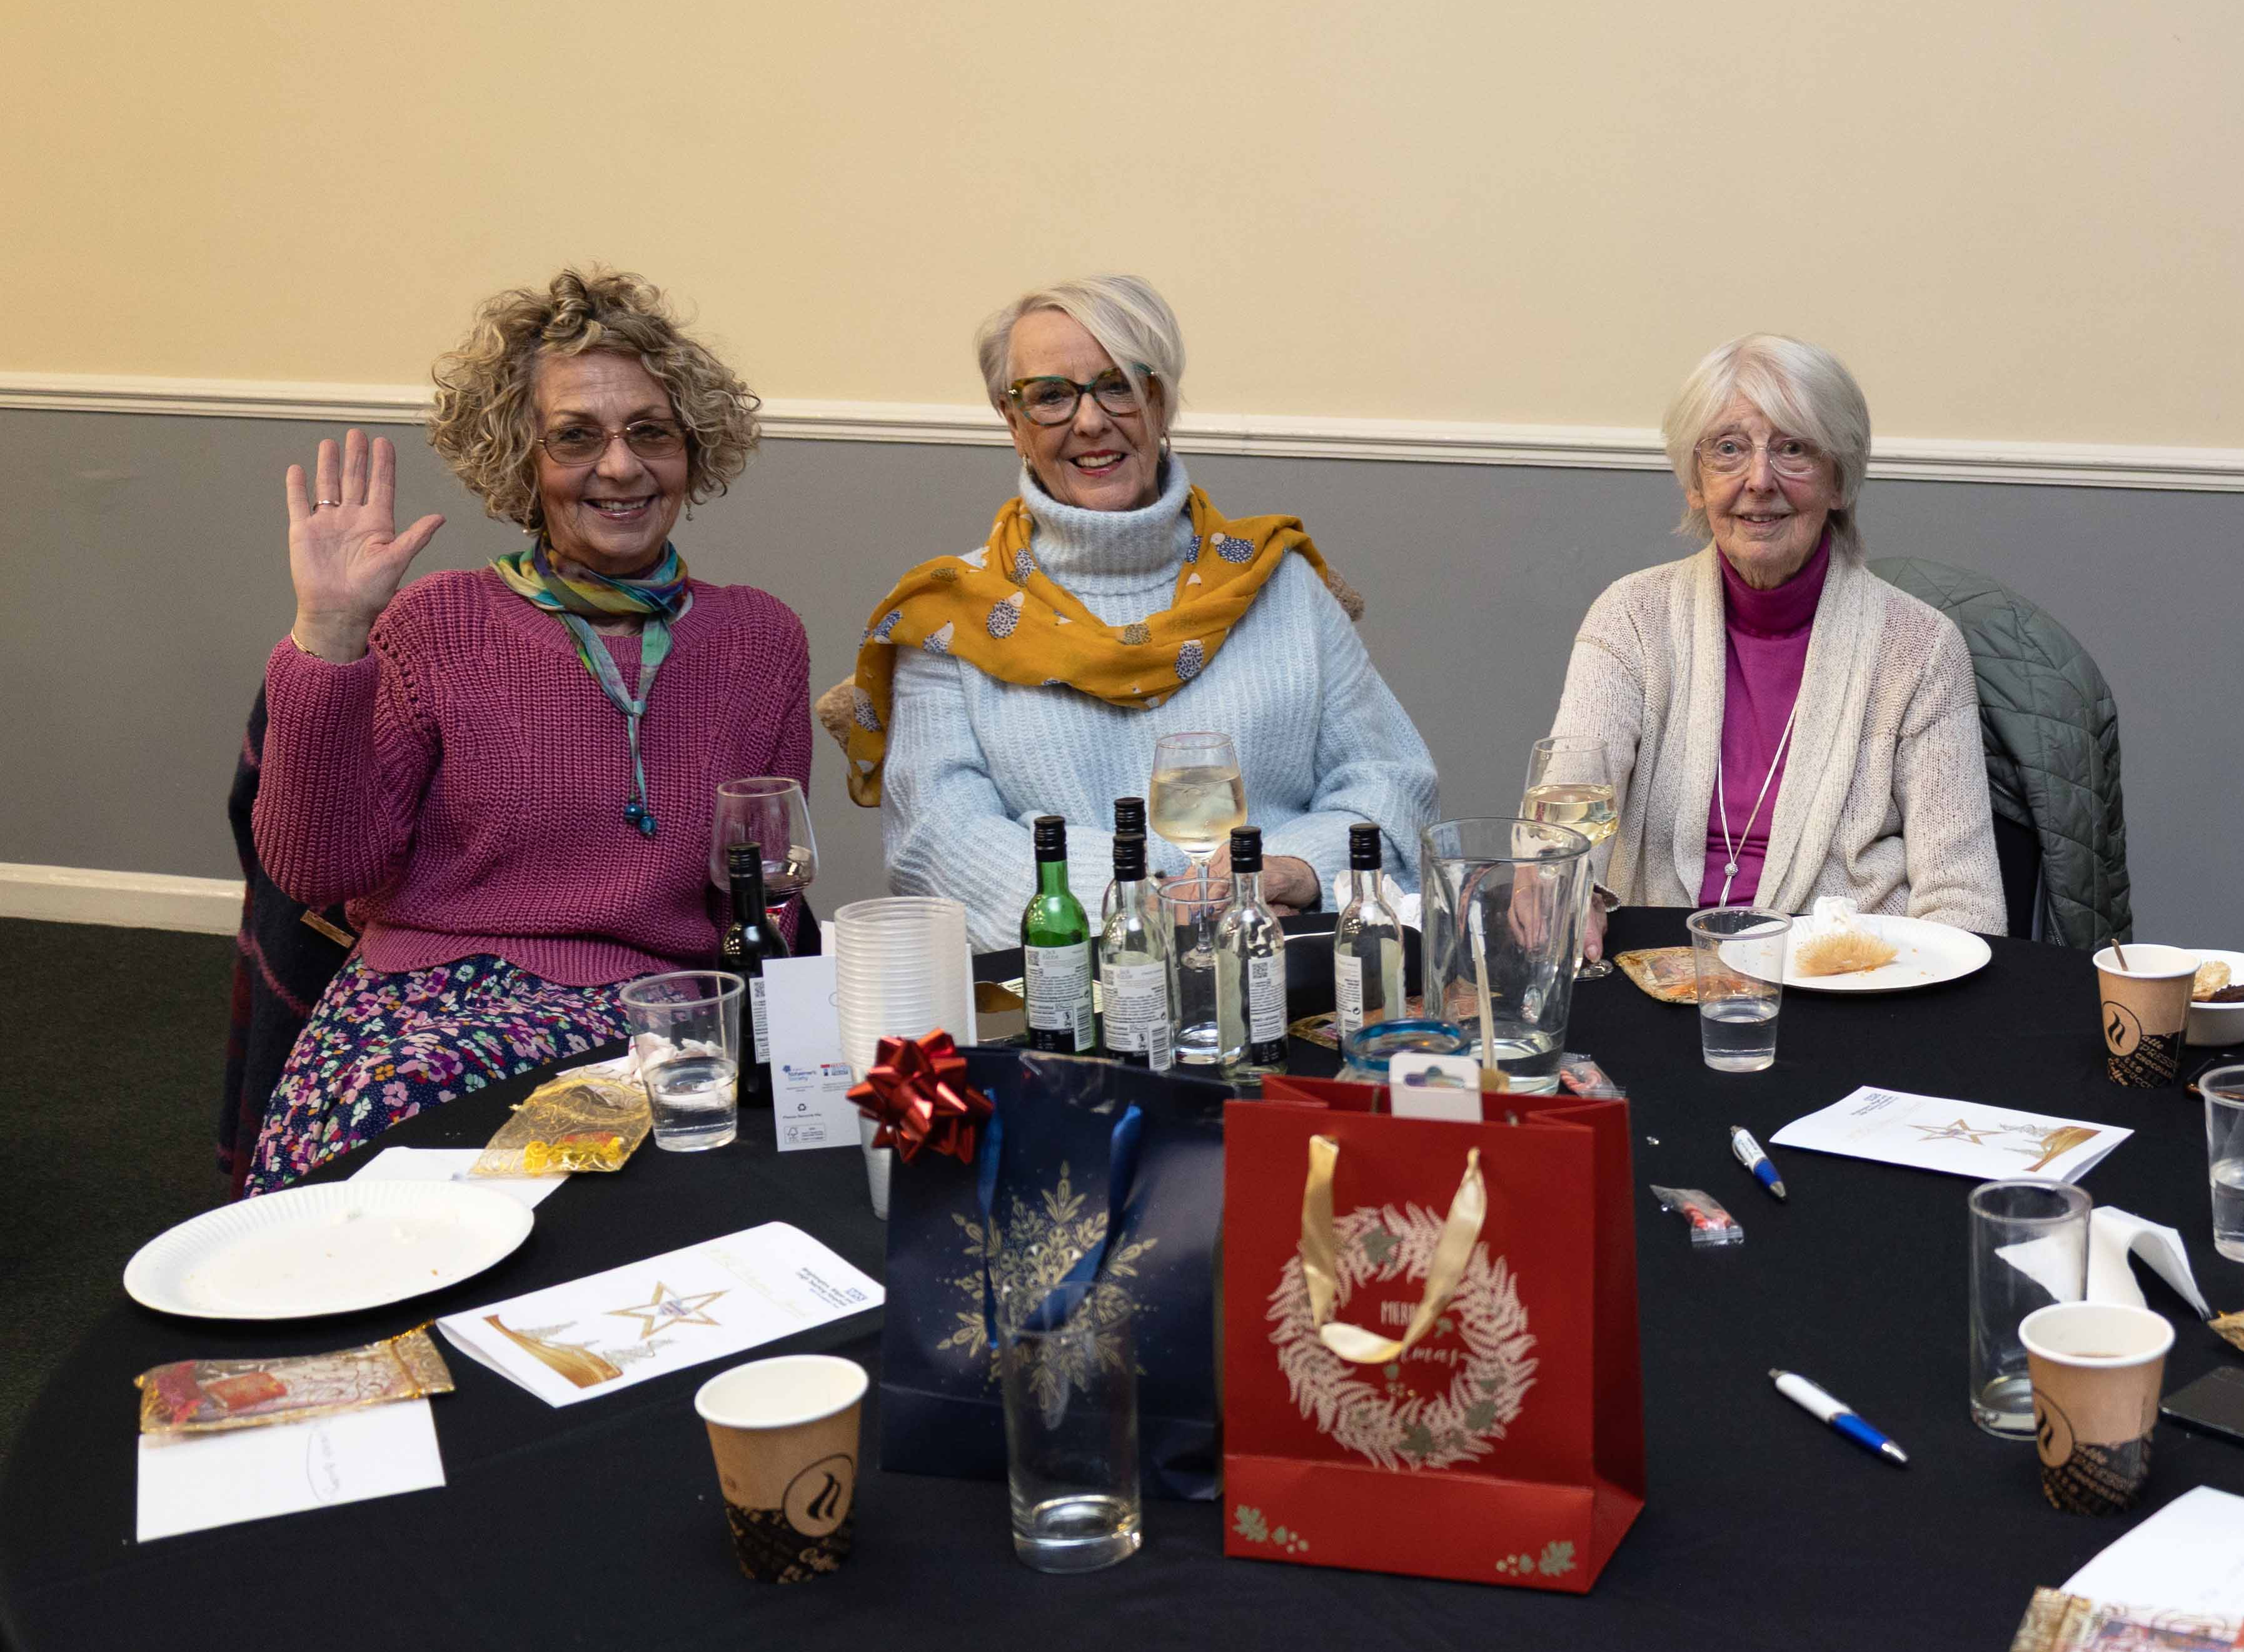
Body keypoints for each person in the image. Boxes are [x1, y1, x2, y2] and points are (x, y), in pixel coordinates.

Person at [245, 270, 812, 1189]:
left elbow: (764, 892)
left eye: (652, 433)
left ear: (692, 451)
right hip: (427, 1007)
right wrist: (331, 635)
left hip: (650, 1016)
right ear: (522, 462)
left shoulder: (760, 637)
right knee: (398, 1185)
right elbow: (317, 873)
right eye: (576, 438)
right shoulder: (440, 622)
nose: (621, 468)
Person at [835, 276, 1436, 946]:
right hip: (1068, 990)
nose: (1090, 420)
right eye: (1051, 396)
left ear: (1160, 400)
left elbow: (1388, 786)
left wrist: (1293, 872)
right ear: (1013, 422)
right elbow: (941, 845)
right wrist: (1153, 905)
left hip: (1288, 964)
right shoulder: (950, 617)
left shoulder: (1280, 582)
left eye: (1118, 383)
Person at [1546, 335, 2001, 931]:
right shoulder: (1631, 617)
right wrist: (1561, 888)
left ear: (1840, 481)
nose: (1760, 480)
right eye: (1728, 450)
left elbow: (1966, 903)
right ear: (1694, 481)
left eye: (1794, 449)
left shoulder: (1919, 647)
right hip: (1658, 967)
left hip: (1849, 982)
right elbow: (1564, 817)